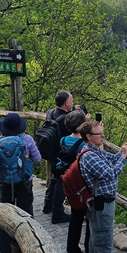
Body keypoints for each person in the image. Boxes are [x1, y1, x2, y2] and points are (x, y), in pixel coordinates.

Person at [78, 120, 127, 253]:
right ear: (89, 137)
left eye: (103, 133)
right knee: (103, 246)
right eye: (99, 134)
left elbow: (112, 160)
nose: (103, 136)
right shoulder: (89, 156)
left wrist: (125, 150)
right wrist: (124, 157)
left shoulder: (95, 151)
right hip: (101, 206)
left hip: (100, 204)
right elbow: (111, 173)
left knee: (95, 242)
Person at [0, 112, 41, 253]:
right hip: (24, 182)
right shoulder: (26, 139)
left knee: (4, 215)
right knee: (26, 214)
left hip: (5, 183)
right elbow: (37, 159)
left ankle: (5, 251)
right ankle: (29, 247)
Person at [58, 109, 90, 253]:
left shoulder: (63, 140)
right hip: (83, 186)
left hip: (70, 183)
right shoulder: (85, 144)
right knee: (89, 219)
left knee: (75, 219)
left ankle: (73, 251)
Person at [42, 90, 75, 223]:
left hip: (50, 152)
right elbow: (74, 129)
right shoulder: (64, 119)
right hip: (59, 155)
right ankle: (58, 213)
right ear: (66, 103)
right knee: (60, 182)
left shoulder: (51, 112)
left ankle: (47, 205)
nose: (73, 103)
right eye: (71, 101)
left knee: (54, 178)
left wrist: (74, 110)